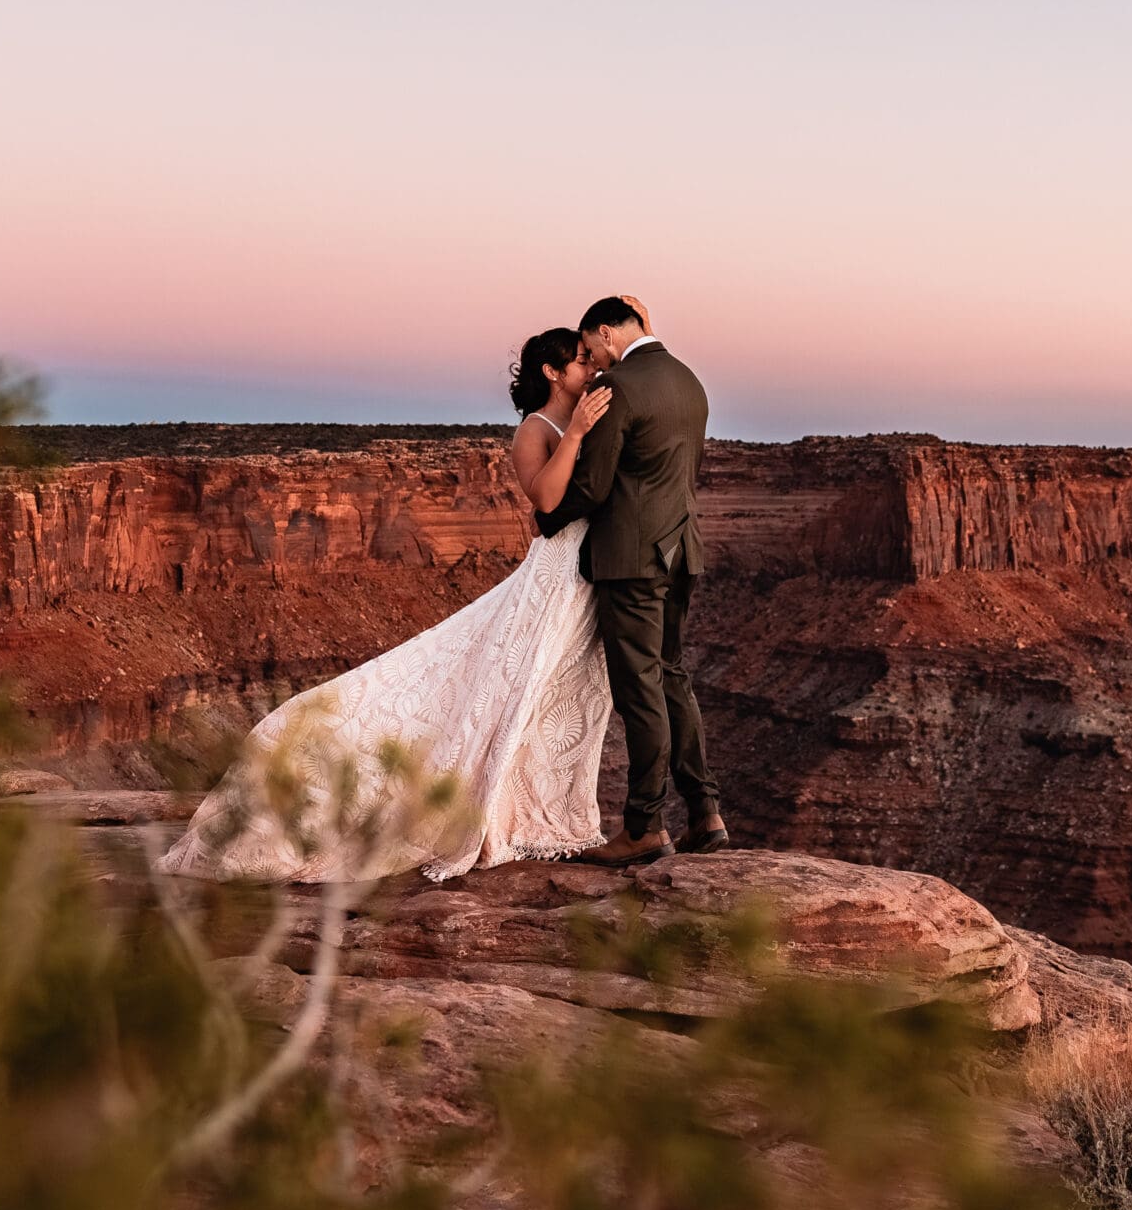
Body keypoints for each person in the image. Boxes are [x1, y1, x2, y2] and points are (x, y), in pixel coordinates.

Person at [157, 321, 621, 882]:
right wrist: (576, 435)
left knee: (550, 696)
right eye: (579, 361)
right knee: (494, 687)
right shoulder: (536, 430)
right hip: (551, 575)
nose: (591, 368)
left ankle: (532, 808)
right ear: (552, 372)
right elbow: (545, 501)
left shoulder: (585, 409)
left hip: (585, 575)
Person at [554, 295, 722, 867]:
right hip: (682, 552)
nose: (593, 362)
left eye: (591, 348)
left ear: (606, 331)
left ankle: (645, 826)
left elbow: (594, 485)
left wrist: (548, 518)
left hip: (631, 559)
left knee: (640, 689)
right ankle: (705, 812)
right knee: (673, 675)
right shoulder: (689, 381)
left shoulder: (620, 387)